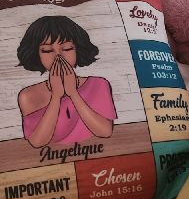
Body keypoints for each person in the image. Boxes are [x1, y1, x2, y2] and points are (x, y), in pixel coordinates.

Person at [17, 15, 117, 148]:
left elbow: (105, 131)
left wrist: (73, 93)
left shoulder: (98, 84)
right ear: (36, 54)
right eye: (47, 50)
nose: (58, 56)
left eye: (67, 48)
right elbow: (37, 142)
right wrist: (56, 96)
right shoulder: (28, 95)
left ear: (77, 49)